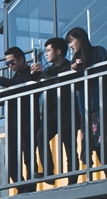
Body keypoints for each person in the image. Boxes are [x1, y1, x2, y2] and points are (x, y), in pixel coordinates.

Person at [66, 27, 107, 178]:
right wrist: (75, 71)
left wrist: (87, 67)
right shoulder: (74, 60)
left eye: (71, 41)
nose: (70, 46)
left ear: (80, 39)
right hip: (86, 107)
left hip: (102, 103)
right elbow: (75, 86)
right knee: (93, 143)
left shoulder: (98, 51)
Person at [0, 47, 41, 193]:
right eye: (7, 64)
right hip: (13, 124)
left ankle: (30, 187)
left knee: (29, 158)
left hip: (28, 122)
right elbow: (1, 101)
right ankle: (22, 187)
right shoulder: (13, 79)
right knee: (10, 161)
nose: (10, 66)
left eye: (12, 62)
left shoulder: (31, 73)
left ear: (21, 59)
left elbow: (24, 87)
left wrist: (2, 81)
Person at [31, 38, 79, 185]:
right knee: (40, 136)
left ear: (58, 51)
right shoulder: (48, 70)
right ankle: (49, 172)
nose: (46, 54)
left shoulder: (70, 67)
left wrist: (44, 73)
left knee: (69, 147)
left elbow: (59, 81)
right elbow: (37, 87)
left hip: (67, 112)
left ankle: (72, 181)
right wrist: (35, 75)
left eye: (48, 50)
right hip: (51, 112)